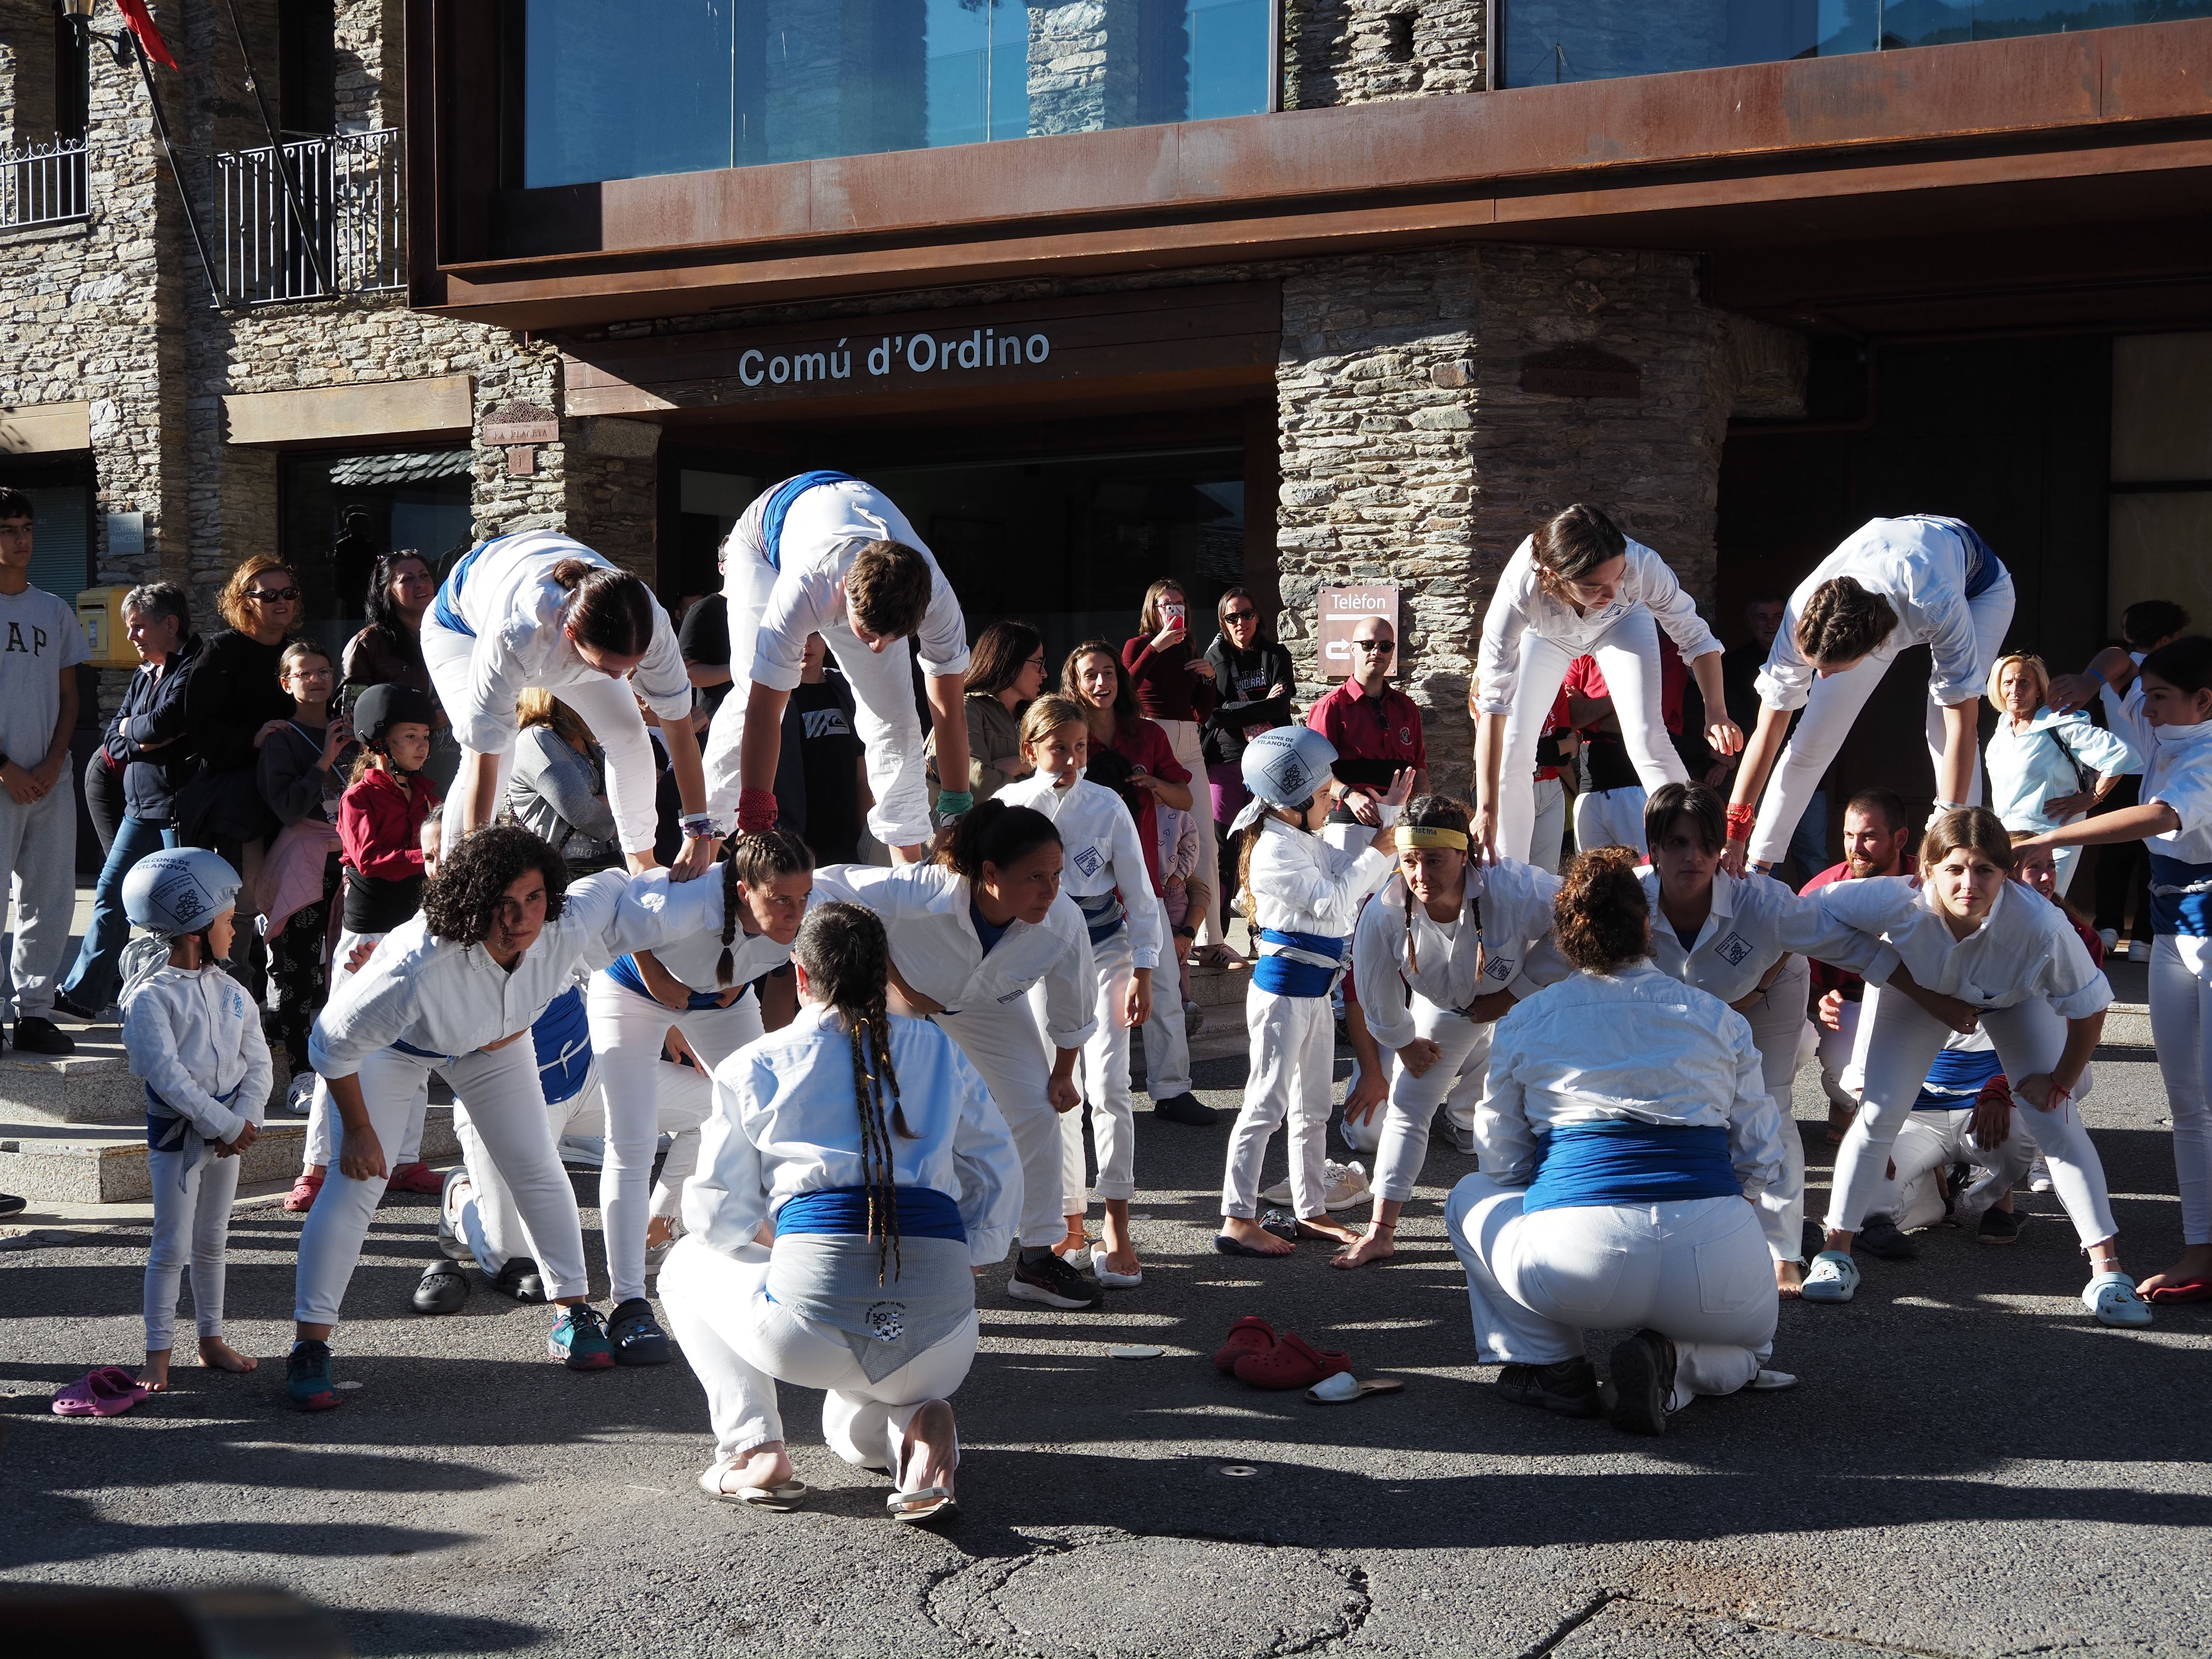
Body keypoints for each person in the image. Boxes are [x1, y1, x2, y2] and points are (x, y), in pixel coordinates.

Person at [288, 826, 732, 1408]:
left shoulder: (565, 922)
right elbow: (328, 1047)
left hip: (493, 1047)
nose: (520, 917)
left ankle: (573, 1314)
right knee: (358, 1186)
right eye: (502, 903)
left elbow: (622, 880)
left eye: (533, 898)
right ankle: (309, 1346)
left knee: (536, 1166)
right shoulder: (414, 966)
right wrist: (363, 1131)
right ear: (473, 901)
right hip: (394, 1051)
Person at [659, 900, 1021, 1518]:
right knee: (851, 1434)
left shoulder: (755, 1064)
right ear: (887, 973)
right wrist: (977, 1251)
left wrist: (778, 1238)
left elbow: (718, 1217)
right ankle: (917, 1429)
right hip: (946, 1336)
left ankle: (754, 1449)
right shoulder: (940, 1050)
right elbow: (998, 1166)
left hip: (810, 1330)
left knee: (684, 1263)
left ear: (800, 975)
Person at [1444, 846, 1792, 1434]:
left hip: (1579, 1266)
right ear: (1647, 924)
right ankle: (1675, 1366)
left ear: (1564, 937)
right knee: (1749, 1357)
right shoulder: (1718, 1016)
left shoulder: (1526, 1019)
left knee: (1470, 1194)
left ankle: (1554, 1367)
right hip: (1716, 1260)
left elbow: (1500, 1160)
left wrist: (1567, 1178)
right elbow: (1762, 1154)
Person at [1803, 807, 2145, 1325]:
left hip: (2014, 999)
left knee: (2058, 1121)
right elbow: (1806, 913)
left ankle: (2108, 1272)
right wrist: (1886, 969)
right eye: (1956, 869)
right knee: (1878, 1113)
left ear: (2006, 873)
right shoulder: (1895, 897)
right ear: (1927, 871)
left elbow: (2091, 1007)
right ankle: (1835, 1254)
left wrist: (2061, 1081)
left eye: (1985, 869)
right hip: (1919, 994)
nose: (1969, 883)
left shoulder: (2040, 924)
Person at [813, 801, 1100, 1311]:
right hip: (901, 1002)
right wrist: (890, 979)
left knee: (1039, 1109)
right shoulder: (927, 887)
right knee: (895, 1121)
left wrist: (1063, 1075)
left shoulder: (1064, 921)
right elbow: (826, 885)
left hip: (987, 1008)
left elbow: (1072, 1004)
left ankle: (1036, 1257)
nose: (1051, 891)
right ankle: (877, 1254)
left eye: (1056, 875)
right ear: (989, 873)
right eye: (1036, 877)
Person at [1638, 782, 1894, 1295]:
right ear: (1655, 849)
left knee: (1768, 1104)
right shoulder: (1627, 900)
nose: (1694, 857)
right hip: (1686, 1011)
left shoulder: (1759, 897)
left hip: (1769, 991)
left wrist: (1757, 985)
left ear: (1722, 847)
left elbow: (1852, 947)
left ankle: (1783, 1252)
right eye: (1678, 843)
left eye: (1706, 844)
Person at [2018, 633, 2212, 1304]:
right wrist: (2083, 678)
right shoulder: (2163, 726)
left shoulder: (2208, 756)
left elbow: (2158, 815)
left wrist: (2048, 837)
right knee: (2187, 1106)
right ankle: (2201, 1252)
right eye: (2149, 695)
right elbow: (2116, 664)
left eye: (2160, 698)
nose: (2147, 708)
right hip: (2171, 940)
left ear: (2204, 701)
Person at [588, 829, 818, 1363]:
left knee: (768, 1120)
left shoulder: (808, 907)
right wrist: (656, 977)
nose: (795, 911)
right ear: (742, 890)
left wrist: (737, 989)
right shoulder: (685, 900)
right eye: (781, 899)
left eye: (802, 898)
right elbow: (617, 921)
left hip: (722, 1002)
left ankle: (797, 1267)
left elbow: (785, 982)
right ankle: (628, 1302)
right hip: (632, 991)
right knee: (632, 1139)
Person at [1330, 795, 1563, 1270]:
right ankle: (1381, 1232)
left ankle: (1555, 1221)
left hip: (1523, 1004)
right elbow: (1377, 997)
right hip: (1445, 1011)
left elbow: (1584, 919)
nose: (1420, 875)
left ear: (1465, 854)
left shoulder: (1514, 887)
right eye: (1410, 861)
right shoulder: (1384, 912)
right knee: (1407, 1109)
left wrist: (1517, 991)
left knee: (1544, 1107)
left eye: (1434, 861)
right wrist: (1403, 1043)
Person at [701, 472, 972, 857]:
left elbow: (948, 710)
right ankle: (705, 834)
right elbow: (763, 712)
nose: (879, 649)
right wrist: (758, 818)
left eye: (895, 637)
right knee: (749, 691)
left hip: (845, 520)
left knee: (894, 719)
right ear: (846, 596)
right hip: (763, 538)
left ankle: (907, 860)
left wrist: (956, 810)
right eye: (870, 633)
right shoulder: (806, 592)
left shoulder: (939, 600)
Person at [1725, 515, 2015, 875]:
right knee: (1813, 735)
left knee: (1943, 724)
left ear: (1877, 648)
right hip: (1900, 559)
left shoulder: (1935, 602)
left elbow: (1962, 728)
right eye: (1813, 663)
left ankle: (1955, 861)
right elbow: (1768, 732)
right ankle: (1758, 867)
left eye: (1831, 667)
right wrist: (1735, 835)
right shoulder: (1803, 609)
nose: (1821, 676)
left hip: (1979, 589)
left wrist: (1940, 836)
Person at [1217, 726, 1412, 1258]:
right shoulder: (1272, 853)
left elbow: (1359, 880)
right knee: (1266, 1103)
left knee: (1311, 1108)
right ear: (1293, 803)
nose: (1334, 804)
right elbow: (1335, 902)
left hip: (1314, 996)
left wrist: (1387, 825)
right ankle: (1237, 1217)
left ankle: (1310, 1209)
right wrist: (1381, 843)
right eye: (1326, 797)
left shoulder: (1305, 839)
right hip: (1282, 997)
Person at [421, 528, 714, 879]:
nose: (619, 679)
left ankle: (640, 862)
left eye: (630, 666)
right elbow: (485, 756)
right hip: (459, 627)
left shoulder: (651, 622)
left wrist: (699, 829)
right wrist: (478, 870)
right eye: (608, 667)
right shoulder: (519, 634)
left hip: (529, 578)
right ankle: (461, 879)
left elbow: (679, 729)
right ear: (573, 636)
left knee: (627, 730)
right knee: (494, 754)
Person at [998, 696, 1164, 1287]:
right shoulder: (1008, 807)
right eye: (1058, 748)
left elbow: (1141, 898)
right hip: (1036, 959)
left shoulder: (1107, 804)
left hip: (1105, 951)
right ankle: (1068, 1220)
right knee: (1053, 1089)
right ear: (1030, 750)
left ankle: (1117, 1221)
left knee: (1111, 1086)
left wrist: (1144, 970)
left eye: (1081, 748)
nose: (1071, 759)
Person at [1474, 504, 1738, 864]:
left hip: (1623, 623)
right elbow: (1493, 705)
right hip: (1546, 636)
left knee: (1647, 736)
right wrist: (1486, 808)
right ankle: (1508, 875)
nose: (1611, 591)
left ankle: (1698, 848)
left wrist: (1716, 712)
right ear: (1553, 576)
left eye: (1618, 577)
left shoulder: (1643, 567)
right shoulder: (1520, 593)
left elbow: (1695, 637)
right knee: (1517, 748)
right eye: (1594, 586)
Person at [285, 684, 445, 1214]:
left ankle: (405, 1158)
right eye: (409, 738)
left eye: (424, 737)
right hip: (368, 934)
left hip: (414, 929)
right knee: (343, 1046)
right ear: (380, 745)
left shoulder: (425, 790)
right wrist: (429, 854)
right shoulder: (360, 796)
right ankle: (315, 1167)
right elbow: (373, 858)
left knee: (418, 1047)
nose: (421, 746)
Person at [120, 848, 271, 1394]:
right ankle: (157, 1354)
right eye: (227, 921)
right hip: (179, 1140)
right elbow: (168, 1079)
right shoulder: (149, 1001)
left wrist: (245, 1118)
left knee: (213, 1241)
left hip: (228, 1135)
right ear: (192, 929)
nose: (236, 930)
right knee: (171, 1244)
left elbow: (258, 1061)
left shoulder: (232, 991)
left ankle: (211, 1340)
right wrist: (226, 1125)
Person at [56, 582, 199, 1022]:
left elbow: (165, 724)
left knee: (182, 911)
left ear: (169, 625)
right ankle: (84, 995)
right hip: (139, 810)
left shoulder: (194, 670)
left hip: (178, 809)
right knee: (110, 894)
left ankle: (186, 1005)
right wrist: (141, 736)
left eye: (139, 628)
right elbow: (116, 737)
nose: (132, 637)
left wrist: (138, 733)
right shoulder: (143, 673)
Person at [179, 556, 303, 1002]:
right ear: (244, 602)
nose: (281, 602)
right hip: (242, 800)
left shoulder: (298, 653)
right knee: (242, 909)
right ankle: (237, 1007)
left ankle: (289, 1007)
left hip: (295, 796)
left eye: (287, 593)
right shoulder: (223, 652)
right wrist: (253, 739)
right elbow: (200, 726)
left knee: (297, 906)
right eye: (268, 595)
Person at [2046, 600, 2191, 962]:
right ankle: (2143, 937)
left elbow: (2116, 659)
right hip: (2153, 773)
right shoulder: (2173, 675)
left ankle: (2109, 928)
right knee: (2150, 858)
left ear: (2129, 632)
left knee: (2114, 855)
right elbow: (2119, 658)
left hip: (2123, 773)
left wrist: (2090, 681)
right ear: (2171, 636)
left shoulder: (2122, 675)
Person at [0, 487, 88, 1055]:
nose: (21, 539)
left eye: (27, 527)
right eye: (8, 528)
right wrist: (6, 768)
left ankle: (34, 1011)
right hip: (3, 776)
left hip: (49, 776)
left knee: (50, 896)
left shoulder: (53, 609)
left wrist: (55, 761)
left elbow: (71, 696)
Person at [255, 641, 357, 1083]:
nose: (316, 680)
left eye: (323, 671)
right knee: (297, 967)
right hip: (306, 861)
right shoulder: (279, 739)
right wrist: (325, 762)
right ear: (286, 683)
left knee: (344, 963)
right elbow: (288, 808)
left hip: (352, 859)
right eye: (304, 673)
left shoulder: (352, 731)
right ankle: (300, 1070)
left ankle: (348, 1062)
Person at [1800, 788, 1916, 1141]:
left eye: (1868, 836)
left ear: (1900, 838)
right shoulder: (1823, 890)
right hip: (1852, 1008)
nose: (1856, 847)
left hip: (1922, 1007)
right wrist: (1819, 998)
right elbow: (1794, 971)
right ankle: (1847, 1105)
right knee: (1848, 1070)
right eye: (1849, 835)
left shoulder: (1930, 881)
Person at [1983, 651, 2138, 896]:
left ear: (2039, 689)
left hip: (2052, 838)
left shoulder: (2059, 723)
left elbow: (2119, 756)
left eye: (2025, 682)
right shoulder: (2004, 727)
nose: (2016, 689)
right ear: (1998, 689)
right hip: (2007, 839)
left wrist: (2093, 797)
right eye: (2008, 682)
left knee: (2043, 908)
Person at [1123, 580, 1225, 953]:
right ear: (1153, 609)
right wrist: (1156, 646)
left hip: (1190, 741)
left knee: (1205, 839)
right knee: (1158, 837)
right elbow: (1125, 687)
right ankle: (1158, 933)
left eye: (1180, 604)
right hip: (1155, 736)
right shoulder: (1139, 646)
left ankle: (1212, 939)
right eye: (1167, 605)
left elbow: (1203, 712)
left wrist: (1209, 680)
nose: (1174, 611)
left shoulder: (1189, 647)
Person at [1202, 586, 1296, 962]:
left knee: (1263, 844)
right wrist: (1263, 705)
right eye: (1231, 617)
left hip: (1270, 759)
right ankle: (1216, 936)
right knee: (1223, 846)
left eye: (1246, 614)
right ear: (1223, 623)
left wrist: (1244, 707)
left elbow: (1282, 703)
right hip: (1227, 759)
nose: (1240, 623)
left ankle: (1261, 932)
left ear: (1258, 616)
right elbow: (1219, 711)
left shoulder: (1276, 654)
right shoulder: (1216, 656)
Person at [1064, 640, 1190, 895]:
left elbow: (1185, 800)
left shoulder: (1149, 733)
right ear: (1076, 685)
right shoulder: (1066, 741)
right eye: (1090, 676)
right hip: (1085, 888)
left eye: (1108, 673)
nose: (1102, 682)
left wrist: (1156, 784)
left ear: (1119, 679)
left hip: (1142, 883)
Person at [342, 551, 456, 793]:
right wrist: (424, 722)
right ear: (388, 591)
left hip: (455, 756)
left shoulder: (454, 634)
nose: (421, 584)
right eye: (407, 579)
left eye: (425, 575)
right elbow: (352, 720)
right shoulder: (368, 644)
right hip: (394, 776)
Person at [1307, 613, 1430, 800]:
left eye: (1385, 646)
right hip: (1351, 816)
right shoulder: (1331, 707)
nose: (1376, 652)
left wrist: (1423, 811)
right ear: (1353, 649)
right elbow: (1315, 768)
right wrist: (1349, 795)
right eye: (1368, 645)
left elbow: (1418, 766)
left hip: (1402, 818)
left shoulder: (1407, 708)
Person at [506, 690, 621, 872]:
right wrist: (627, 817)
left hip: (611, 867)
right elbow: (583, 812)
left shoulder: (587, 740)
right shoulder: (537, 739)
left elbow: (628, 794)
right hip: (564, 879)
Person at [783, 634, 868, 865]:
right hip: (796, 845)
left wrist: (866, 838)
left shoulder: (846, 691)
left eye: (814, 634)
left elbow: (862, 774)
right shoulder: (774, 699)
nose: (806, 643)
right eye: (800, 634)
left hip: (848, 842)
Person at [939, 619, 1045, 805]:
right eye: (1038, 662)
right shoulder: (966, 709)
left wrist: (1025, 764)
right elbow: (977, 787)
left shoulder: (1037, 716)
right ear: (1011, 661)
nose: (1044, 673)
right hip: (977, 831)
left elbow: (1062, 778)